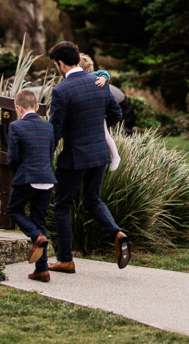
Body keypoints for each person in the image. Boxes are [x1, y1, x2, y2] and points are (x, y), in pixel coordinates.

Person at [48, 41, 131, 273]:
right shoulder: (99, 83)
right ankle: (117, 232)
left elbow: (55, 131)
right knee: (92, 201)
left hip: (74, 157)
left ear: (61, 64)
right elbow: (115, 114)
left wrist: (43, 158)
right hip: (99, 155)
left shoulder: (61, 90)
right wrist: (94, 125)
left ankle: (65, 259)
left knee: (62, 205)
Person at [7, 88, 57, 283]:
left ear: (18, 108)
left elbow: (13, 158)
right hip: (47, 178)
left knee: (14, 209)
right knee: (39, 219)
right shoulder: (49, 127)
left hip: (27, 177)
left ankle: (36, 236)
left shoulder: (15, 127)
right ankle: (42, 270)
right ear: (37, 107)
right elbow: (50, 154)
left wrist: (20, 172)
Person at [79, 53, 121, 171]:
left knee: (105, 134)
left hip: (97, 112)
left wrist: (103, 78)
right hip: (89, 113)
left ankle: (116, 156)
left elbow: (105, 73)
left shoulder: (93, 76)